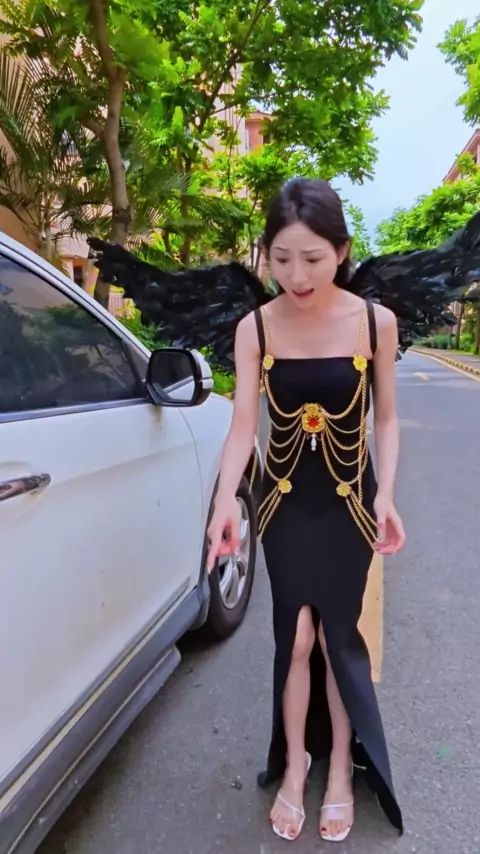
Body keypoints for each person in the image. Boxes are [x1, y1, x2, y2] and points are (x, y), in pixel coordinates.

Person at [206, 178, 405, 843]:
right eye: (282, 258)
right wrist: (224, 503)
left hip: (350, 503)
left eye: (313, 259)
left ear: (341, 252)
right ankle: (296, 765)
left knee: (335, 637)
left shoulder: (375, 323)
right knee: (293, 637)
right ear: (266, 254)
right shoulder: (256, 326)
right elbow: (243, 425)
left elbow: (386, 419)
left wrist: (386, 493)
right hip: (285, 504)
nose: (296, 276)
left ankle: (342, 770)